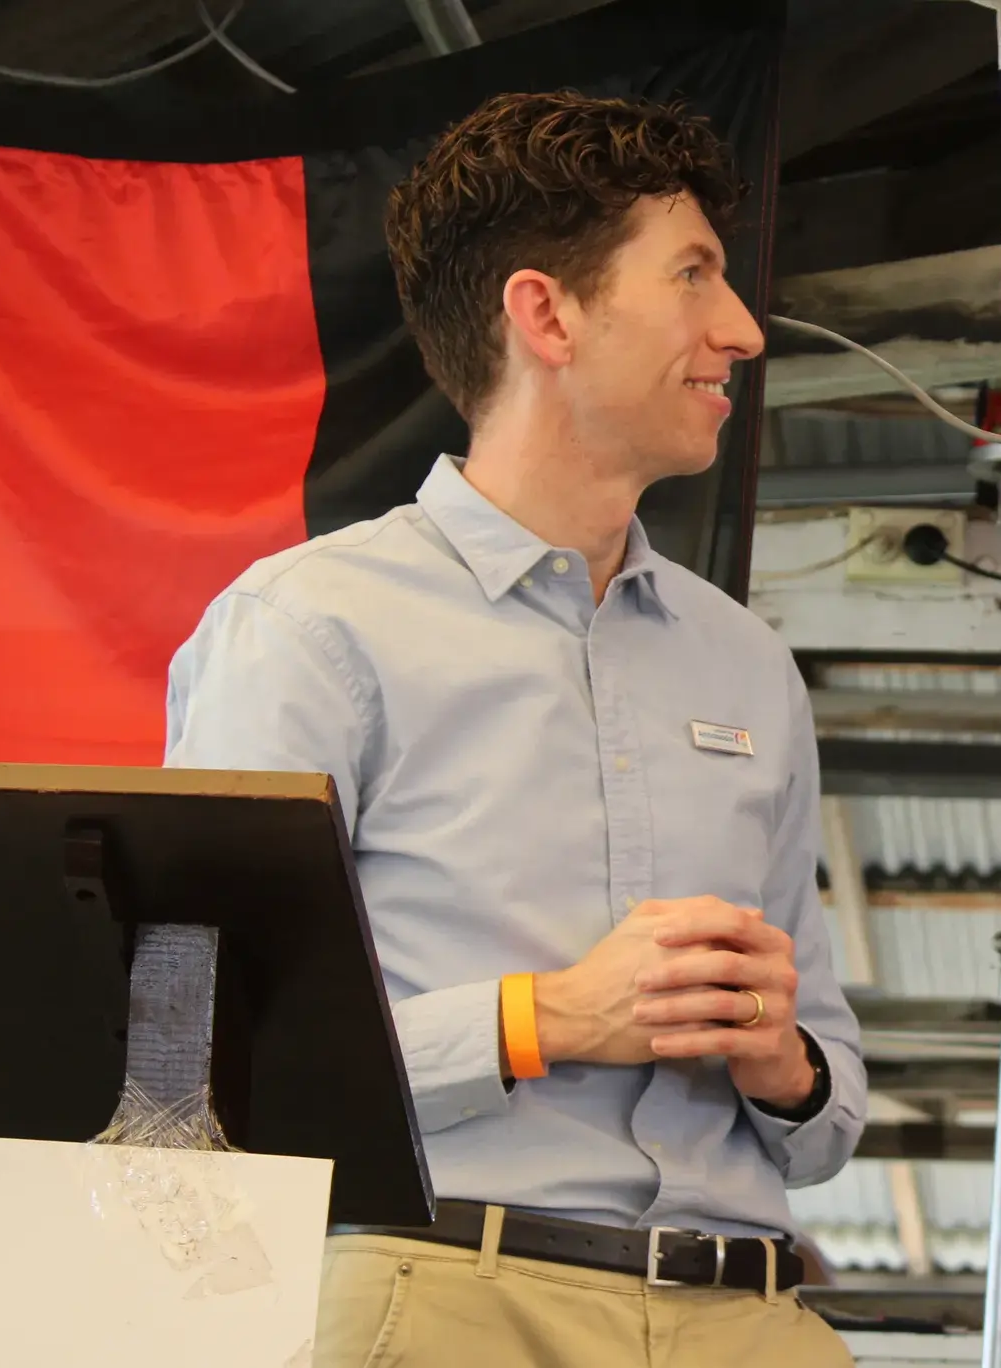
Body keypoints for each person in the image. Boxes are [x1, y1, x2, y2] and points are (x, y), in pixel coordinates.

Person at [164, 91, 864, 1367]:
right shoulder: (311, 626)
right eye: (695, 275)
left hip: (756, 1317)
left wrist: (789, 1063)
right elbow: (190, 1050)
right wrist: (540, 1019)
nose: (742, 330)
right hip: (447, 1301)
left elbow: (830, 1116)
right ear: (546, 313)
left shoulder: (749, 664)